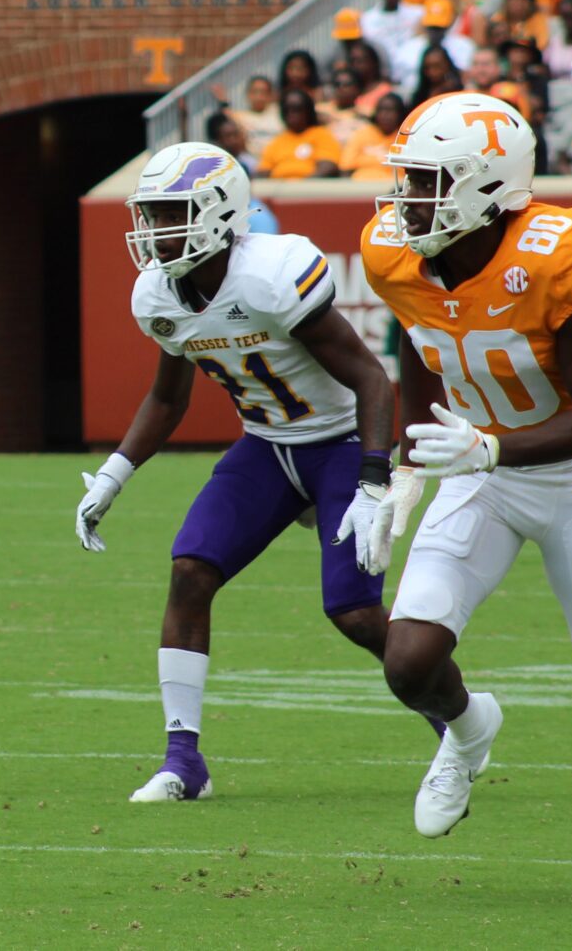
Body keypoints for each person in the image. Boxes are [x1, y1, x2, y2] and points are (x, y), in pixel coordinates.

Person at [356, 92, 572, 895]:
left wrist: (490, 446)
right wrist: (409, 465)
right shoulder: (399, 253)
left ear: (487, 188)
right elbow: (419, 341)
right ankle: (470, 728)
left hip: (569, 477)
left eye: (426, 181)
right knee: (409, 662)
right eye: (406, 180)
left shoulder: (555, 252)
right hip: (475, 473)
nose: (406, 200)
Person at [74, 140, 414, 802]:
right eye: (151, 215)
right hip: (266, 445)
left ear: (216, 211)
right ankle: (183, 761)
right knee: (190, 570)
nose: (155, 232)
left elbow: (373, 377)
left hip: (339, 442)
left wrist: (375, 476)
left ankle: (452, 710)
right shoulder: (160, 294)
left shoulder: (271, 274)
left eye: (171, 214)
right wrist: (113, 475)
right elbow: (169, 397)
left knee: (353, 611)